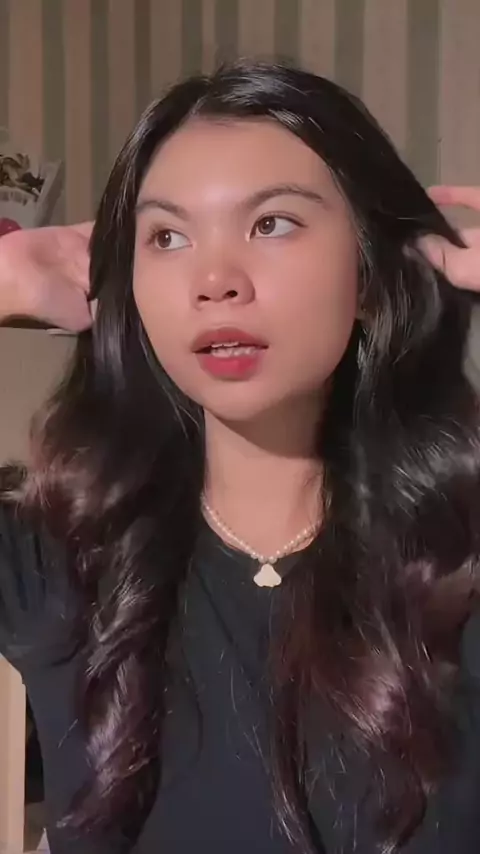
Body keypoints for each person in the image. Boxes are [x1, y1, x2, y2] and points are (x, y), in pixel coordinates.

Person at [1, 60, 480, 854]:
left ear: (369, 275)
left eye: (272, 224)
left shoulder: (458, 572)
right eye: (168, 237)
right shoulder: (59, 554)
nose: (214, 279)